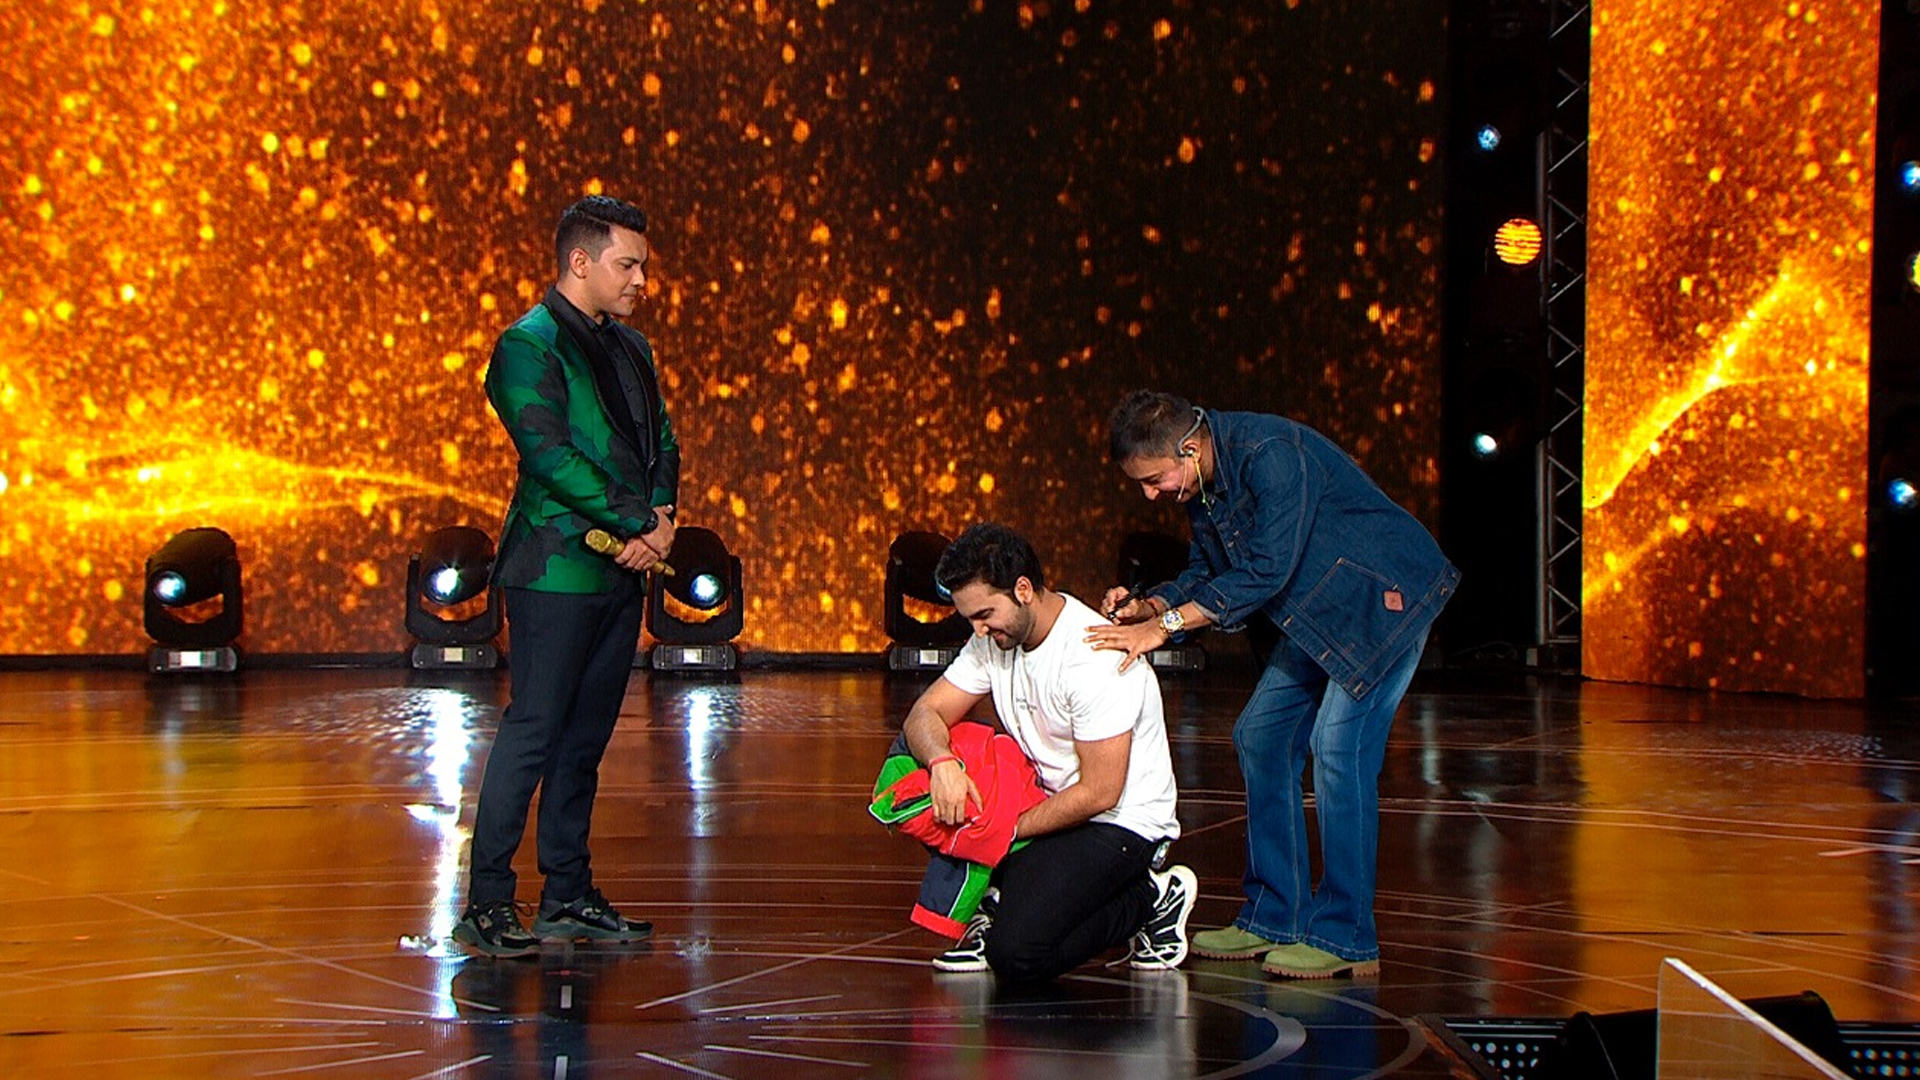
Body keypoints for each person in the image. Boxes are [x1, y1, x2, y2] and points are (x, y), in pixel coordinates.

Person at [1086, 390, 1458, 980]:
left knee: (1338, 749)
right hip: (1317, 614)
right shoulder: (1202, 481)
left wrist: (1168, 626)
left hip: (1382, 600)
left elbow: (1266, 568)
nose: (1150, 494)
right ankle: (1272, 917)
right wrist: (1152, 603)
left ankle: (1346, 936)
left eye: (1154, 479)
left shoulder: (1270, 453)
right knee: (1260, 737)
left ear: (1188, 446)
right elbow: (1210, 570)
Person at [454, 195, 680, 957]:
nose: (642, 279)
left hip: (621, 572)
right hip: (556, 570)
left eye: (643, 265)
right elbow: (547, 454)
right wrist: (634, 524)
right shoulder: (529, 345)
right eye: (628, 264)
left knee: (584, 738)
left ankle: (567, 890)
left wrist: (660, 514)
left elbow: (663, 440)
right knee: (535, 730)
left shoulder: (634, 348)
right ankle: (487, 900)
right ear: (579, 262)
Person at [899, 522, 1198, 982]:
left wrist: (999, 830)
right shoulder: (993, 639)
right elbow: (924, 715)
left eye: (984, 614)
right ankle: (1002, 895)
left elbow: (1101, 792)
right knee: (913, 765)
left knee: (1018, 955)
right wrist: (942, 765)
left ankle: (1152, 898)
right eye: (969, 619)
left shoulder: (1092, 656)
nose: (977, 631)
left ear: (1022, 589)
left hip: (1119, 822)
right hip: (1049, 804)